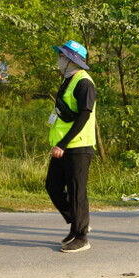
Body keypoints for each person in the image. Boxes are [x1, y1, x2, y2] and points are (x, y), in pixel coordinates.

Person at [46, 40, 97, 253]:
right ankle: (77, 221)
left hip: (78, 146)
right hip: (64, 146)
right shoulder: (69, 80)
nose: (59, 59)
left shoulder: (84, 83)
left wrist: (63, 144)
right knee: (53, 186)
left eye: (62, 56)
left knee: (77, 192)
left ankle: (82, 235)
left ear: (72, 60)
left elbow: (84, 115)